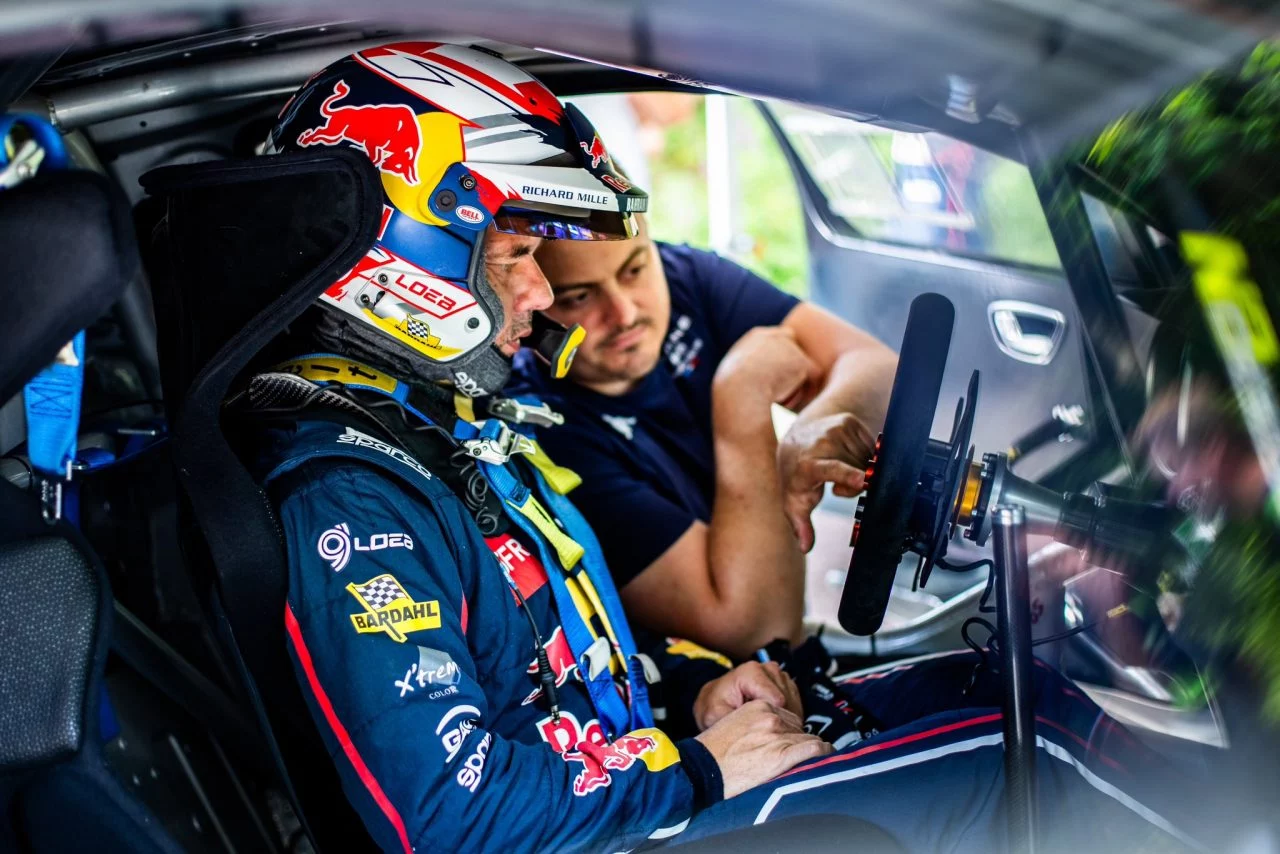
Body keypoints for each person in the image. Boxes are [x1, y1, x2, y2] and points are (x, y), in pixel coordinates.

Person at [236, 42, 1202, 854]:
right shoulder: (351, 500)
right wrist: (700, 769)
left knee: (999, 687)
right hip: (612, 828)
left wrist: (695, 690)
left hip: (635, 783)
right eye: (522, 262)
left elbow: (556, 669)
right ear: (404, 256)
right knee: (1030, 762)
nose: (539, 300)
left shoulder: (437, 428)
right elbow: (445, 815)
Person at [511, 213, 898, 657]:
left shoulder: (687, 277)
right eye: (579, 297)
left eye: (634, 269)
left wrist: (812, 431)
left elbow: (878, 370)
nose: (625, 312)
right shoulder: (541, 430)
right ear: (532, 306)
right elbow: (762, 632)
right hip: (698, 702)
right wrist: (743, 400)